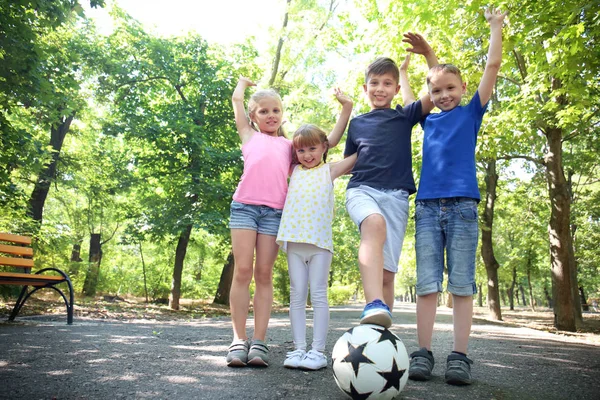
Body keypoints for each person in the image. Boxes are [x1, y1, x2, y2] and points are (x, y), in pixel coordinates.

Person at [400, 8, 508, 385]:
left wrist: (495, 27)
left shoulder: (471, 112)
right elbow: (420, 93)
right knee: (428, 283)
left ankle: (460, 356)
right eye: (437, 91)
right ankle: (424, 352)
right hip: (428, 208)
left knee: (461, 284)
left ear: (463, 90)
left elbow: (492, 66)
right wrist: (407, 71)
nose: (443, 95)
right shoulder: (427, 118)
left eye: (451, 89)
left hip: (463, 207)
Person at [343, 51, 437, 329]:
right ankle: (372, 302)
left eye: (387, 83)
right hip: (362, 190)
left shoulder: (404, 116)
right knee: (373, 223)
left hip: (395, 196)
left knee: (386, 274)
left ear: (396, 90)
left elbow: (434, 93)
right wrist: (323, 172)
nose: (380, 89)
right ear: (365, 88)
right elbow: (352, 160)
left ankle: (379, 336)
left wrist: (428, 55)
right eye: (374, 83)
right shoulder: (357, 123)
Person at [277, 97, 355, 371]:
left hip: (320, 244)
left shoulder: (330, 170)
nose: (307, 154)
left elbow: (355, 150)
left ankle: (318, 352)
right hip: (294, 243)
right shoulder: (294, 170)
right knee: (297, 295)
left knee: (318, 295)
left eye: (313, 148)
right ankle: (298, 350)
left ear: (324, 148)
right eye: (301, 150)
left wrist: (346, 109)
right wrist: (283, 128)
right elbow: (287, 142)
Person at [226, 77, 293, 367]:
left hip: (275, 212)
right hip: (244, 208)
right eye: (264, 111)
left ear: (282, 114)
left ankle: (260, 342)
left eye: (276, 110)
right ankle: (238, 340)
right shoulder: (248, 135)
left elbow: (323, 146)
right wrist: (241, 85)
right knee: (242, 270)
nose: (271, 115)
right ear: (253, 117)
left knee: (263, 274)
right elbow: (237, 101)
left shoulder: (291, 147)